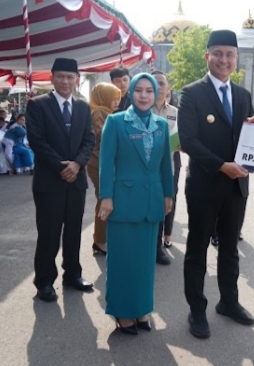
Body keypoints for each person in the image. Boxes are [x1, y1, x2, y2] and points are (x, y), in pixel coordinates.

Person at [178, 29, 254, 339]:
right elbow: (188, 140)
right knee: (197, 250)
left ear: (236, 59)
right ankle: (197, 309)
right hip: (205, 186)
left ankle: (229, 302)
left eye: (230, 54)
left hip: (236, 188)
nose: (224, 60)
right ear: (207, 56)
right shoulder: (191, 92)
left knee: (230, 250)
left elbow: (251, 139)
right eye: (218, 53)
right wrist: (221, 166)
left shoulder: (243, 95)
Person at [98, 73, 174, 334]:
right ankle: (122, 313)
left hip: (151, 201)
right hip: (122, 201)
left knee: (144, 263)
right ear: (131, 93)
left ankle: (142, 309)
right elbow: (106, 161)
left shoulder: (162, 125)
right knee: (122, 260)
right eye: (139, 90)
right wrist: (105, 196)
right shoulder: (116, 121)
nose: (144, 95)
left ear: (156, 94)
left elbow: (166, 165)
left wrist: (168, 194)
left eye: (149, 91)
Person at [26, 57, 96, 302]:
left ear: (77, 80)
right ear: (51, 78)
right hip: (49, 181)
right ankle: (44, 281)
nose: (65, 81)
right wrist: (62, 167)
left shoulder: (83, 107)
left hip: (76, 180)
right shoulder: (37, 105)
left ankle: (73, 275)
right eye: (61, 76)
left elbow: (89, 140)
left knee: (74, 231)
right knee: (49, 233)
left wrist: (77, 164)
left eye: (70, 77)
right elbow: (37, 141)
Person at [86, 82, 121, 256]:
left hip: (102, 162)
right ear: (103, 97)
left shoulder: (107, 112)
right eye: (113, 99)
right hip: (97, 162)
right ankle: (99, 241)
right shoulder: (99, 112)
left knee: (106, 199)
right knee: (104, 200)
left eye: (118, 99)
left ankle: (102, 239)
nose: (116, 102)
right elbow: (100, 136)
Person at [151, 70, 180, 265]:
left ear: (168, 88)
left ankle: (157, 248)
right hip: (143, 168)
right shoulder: (140, 110)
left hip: (167, 167)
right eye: (155, 83)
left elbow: (178, 142)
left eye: (162, 83)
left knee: (163, 205)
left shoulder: (175, 113)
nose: (159, 86)